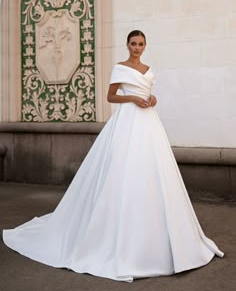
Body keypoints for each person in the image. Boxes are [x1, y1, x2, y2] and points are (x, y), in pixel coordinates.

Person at [2, 30, 224, 283]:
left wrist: (152, 98)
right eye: (133, 44)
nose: (137, 48)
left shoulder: (149, 68)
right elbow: (111, 96)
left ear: (145, 45)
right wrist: (132, 98)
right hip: (127, 121)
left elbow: (150, 93)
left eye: (141, 44)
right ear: (127, 45)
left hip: (149, 123)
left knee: (154, 172)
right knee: (122, 169)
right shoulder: (120, 67)